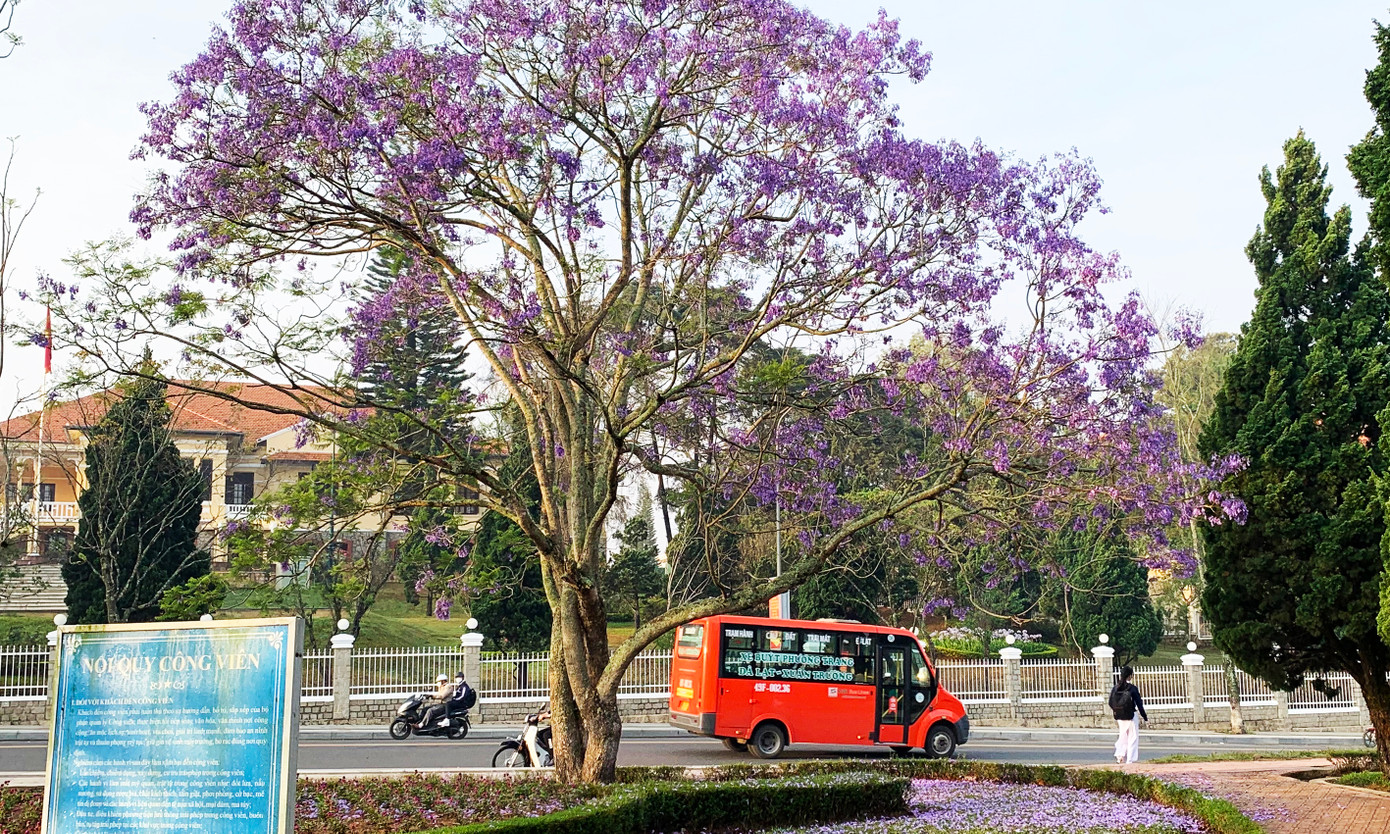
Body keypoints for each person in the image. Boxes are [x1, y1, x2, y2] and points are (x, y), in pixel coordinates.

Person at [1109, 665, 1148, 764]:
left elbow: (1110, 702)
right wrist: (1144, 716)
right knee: (1132, 737)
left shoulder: (1115, 688)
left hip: (1119, 716)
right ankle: (1130, 759)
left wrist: (1117, 710)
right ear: (1130, 676)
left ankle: (1120, 756)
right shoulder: (1132, 688)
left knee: (1122, 736)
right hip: (1131, 716)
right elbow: (1139, 703)